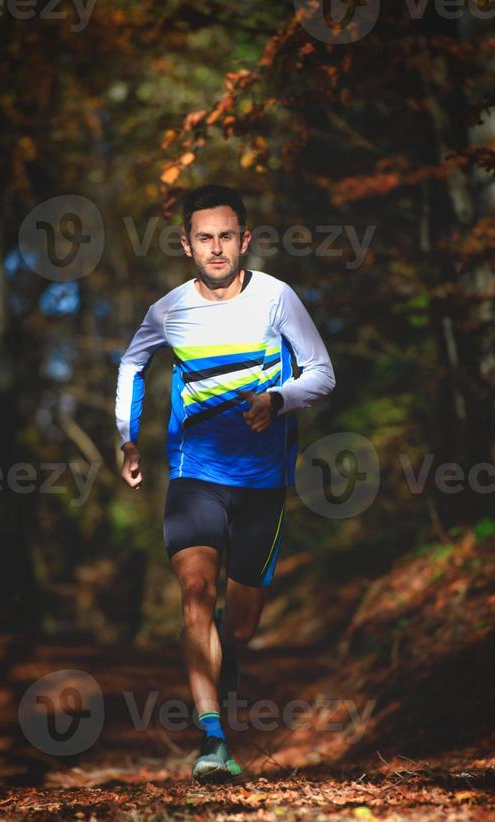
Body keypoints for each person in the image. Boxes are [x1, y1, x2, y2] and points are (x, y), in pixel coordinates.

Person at [115, 184, 335, 782]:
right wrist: (128, 437)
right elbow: (133, 362)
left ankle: (224, 661)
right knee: (194, 593)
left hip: (262, 482)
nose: (216, 249)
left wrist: (278, 397)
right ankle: (212, 739)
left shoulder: (277, 298)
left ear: (246, 240)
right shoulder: (169, 310)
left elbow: (323, 373)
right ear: (187, 244)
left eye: (226, 237)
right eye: (204, 238)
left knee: (238, 625)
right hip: (194, 474)